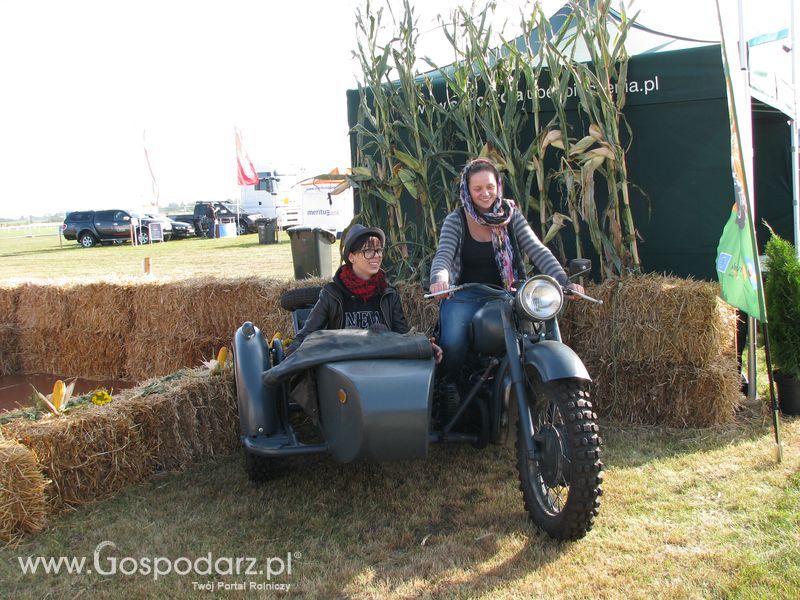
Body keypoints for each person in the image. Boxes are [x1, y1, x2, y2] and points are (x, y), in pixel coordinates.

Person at [429, 157, 583, 376]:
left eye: (490, 187)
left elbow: (537, 250)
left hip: (507, 295)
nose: (485, 193)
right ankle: (449, 389)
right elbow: (443, 256)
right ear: (468, 190)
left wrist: (564, 281)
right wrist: (439, 280)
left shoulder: (511, 215)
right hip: (465, 295)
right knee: (452, 344)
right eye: (478, 188)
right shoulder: (456, 220)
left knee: (534, 336)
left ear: (498, 186)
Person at [287, 223, 443, 362]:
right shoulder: (332, 294)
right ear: (352, 257)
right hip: (344, 367)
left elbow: (401, 335)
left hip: (381, 366)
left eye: (379, 250)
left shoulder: (388, 294)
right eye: (368, 251)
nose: (376, 256)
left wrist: (424, 345)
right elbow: (307, 335)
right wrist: (290, 357)